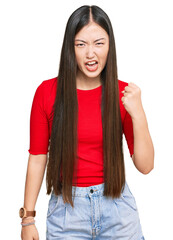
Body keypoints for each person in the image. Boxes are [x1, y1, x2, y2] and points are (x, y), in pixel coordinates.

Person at [20, 5, 154, 240]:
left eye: (99, 43)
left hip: (119, 213)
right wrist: (28, 218)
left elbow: (145, 166)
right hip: (66, 213)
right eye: (81, 44)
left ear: (110, 45)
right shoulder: (47, 93)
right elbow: (38, 156)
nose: (90, 53)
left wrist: (139, 114)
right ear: (70, 48)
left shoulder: (123, 94)